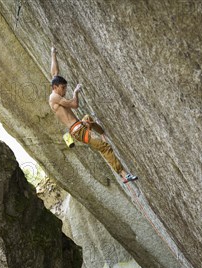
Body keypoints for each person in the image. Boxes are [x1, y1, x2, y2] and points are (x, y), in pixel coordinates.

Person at [48, 47, 138, 184]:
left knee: (88, 118)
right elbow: (74, 105)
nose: (65, 90)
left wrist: (53, 53)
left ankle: (102, 133)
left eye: (66, 88)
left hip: (80, 125)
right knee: (104, 147)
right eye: (63, 88)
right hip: (78, 131)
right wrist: (76, 93)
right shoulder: (55, 98)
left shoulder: (55, 89)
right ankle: (124, 175)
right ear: (55, 87)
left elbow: (54, 72)